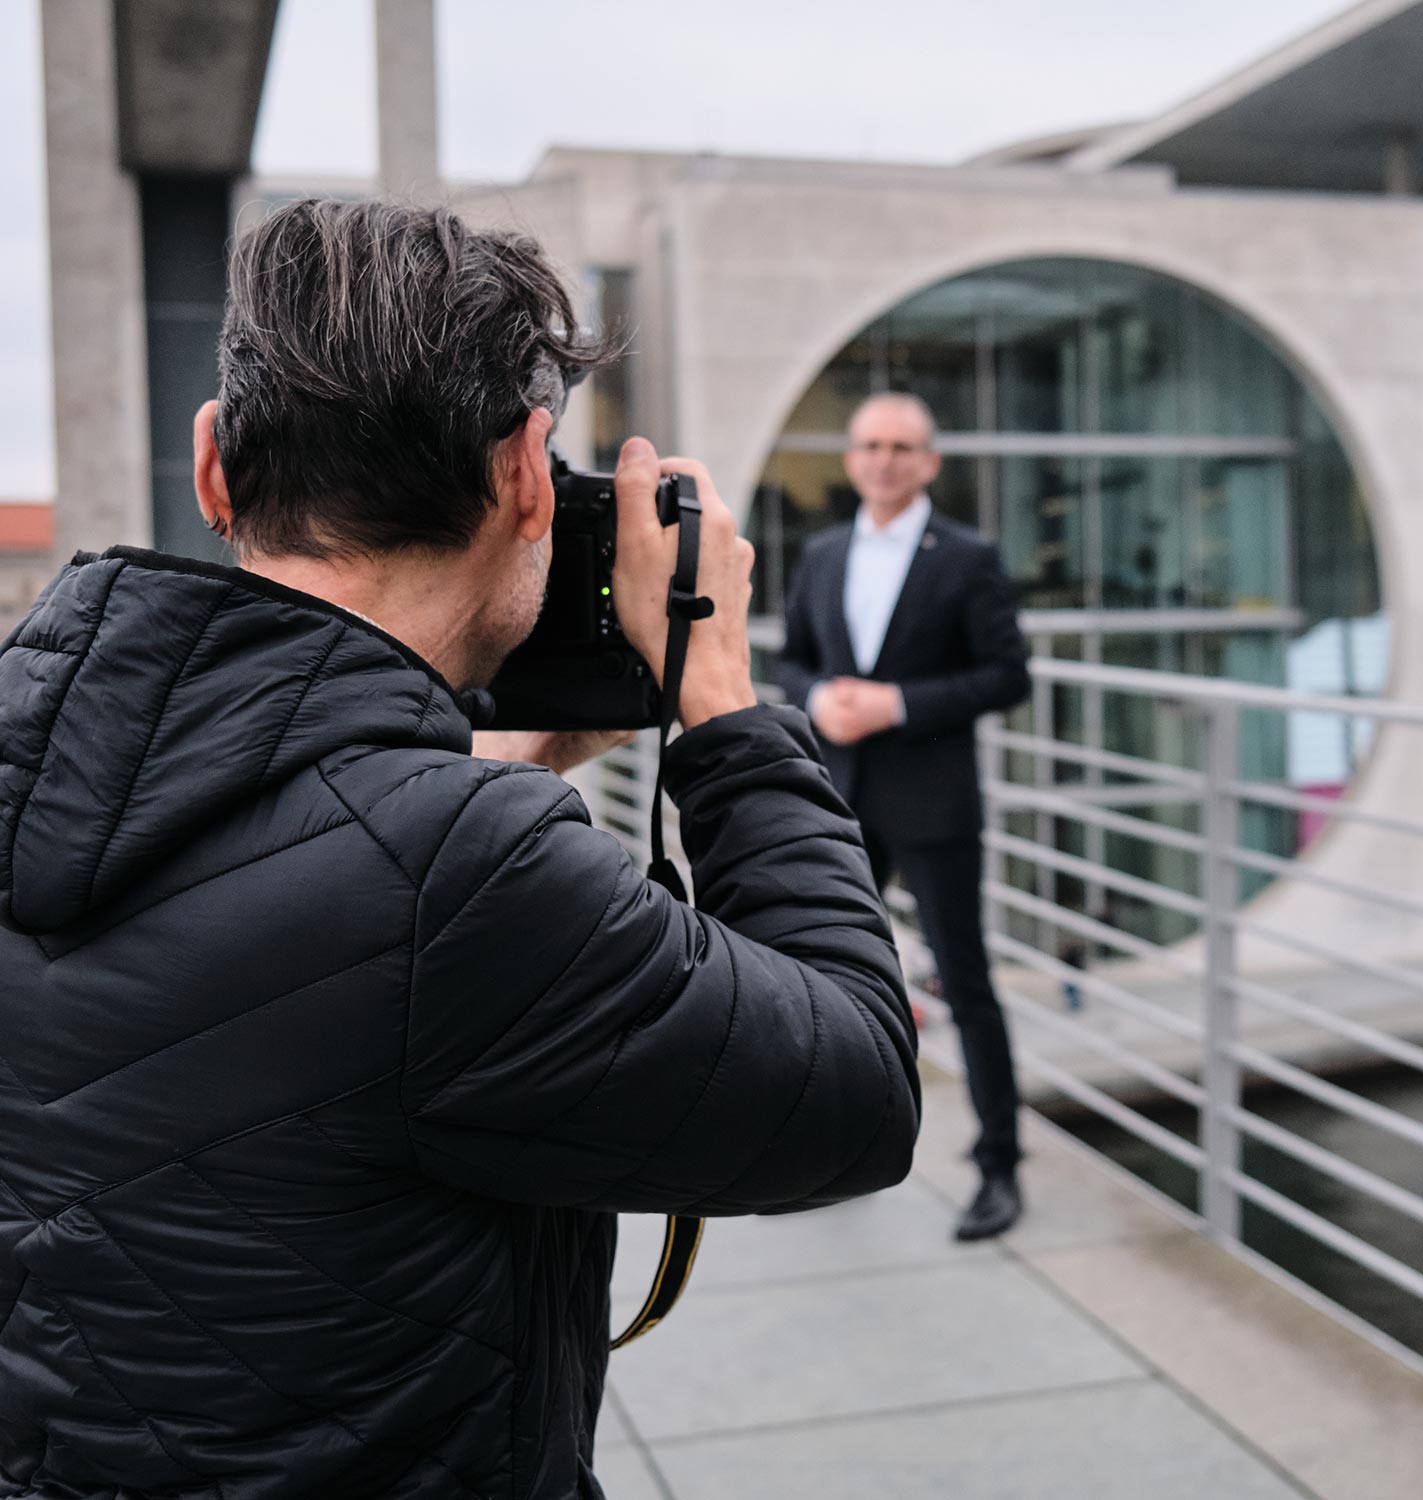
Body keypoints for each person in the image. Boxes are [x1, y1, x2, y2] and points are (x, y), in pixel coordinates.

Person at [0, 201, 920, 1500]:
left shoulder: (34, 750)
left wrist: (490, 770)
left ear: (214, 468)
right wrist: (719, 700)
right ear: (526, 476)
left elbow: (259, 913)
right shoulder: (462, 879)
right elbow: (858, 1090)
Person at [779, 392, 1031, 1241]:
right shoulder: (822, 554)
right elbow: (793, 661)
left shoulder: (968, 556)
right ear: (852, 459)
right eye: (870, 444)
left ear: (929, 462)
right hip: (840, 796)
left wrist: (895, 704)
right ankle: (838, 1152)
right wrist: (817, 696)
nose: (884, 459)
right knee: (833, 976)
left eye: (902, 447)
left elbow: (1007, 676)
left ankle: (999, 1167)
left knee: (966, 985)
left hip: (933, 804)